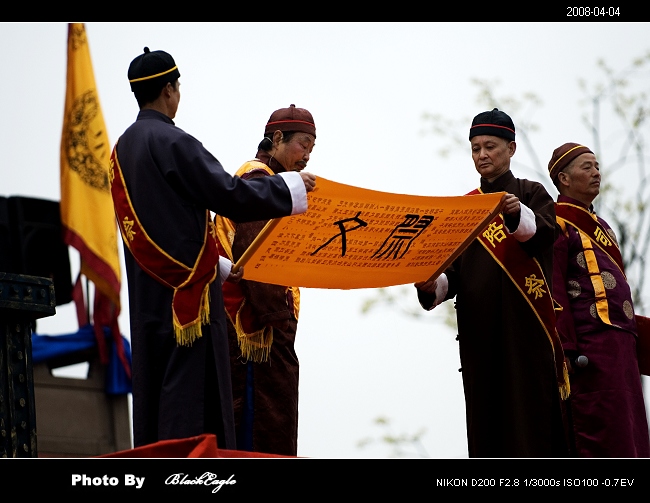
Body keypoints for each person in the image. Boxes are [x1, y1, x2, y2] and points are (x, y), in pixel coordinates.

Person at [109, 47, 316, 449]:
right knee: (191, 403)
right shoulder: (172, 141)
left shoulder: (121, 150)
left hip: (149, 294)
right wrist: (287, 187)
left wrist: (219, 267)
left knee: (157, 393)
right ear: (169, 90)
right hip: (188, 299)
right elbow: (228, 194)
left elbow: (163, 225)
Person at [413, 109, 569, 458]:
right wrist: (430, 286)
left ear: (511, 149)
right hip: (478, 333)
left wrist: (515, 215)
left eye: (490, 147)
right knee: (486, 424)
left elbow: (544, 236)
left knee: (532, 420)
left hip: (525, 329)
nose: (482, 155)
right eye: (475, 148)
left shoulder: (531, 193)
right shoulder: (466, 207)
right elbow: (451, 274)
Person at [214, 104, 316, 456]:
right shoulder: (257, 180)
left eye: (312, 149)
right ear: (276, 139)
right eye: (303, 144)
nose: (307, 155)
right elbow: (257, 256)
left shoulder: (270, 183)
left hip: (260, 322)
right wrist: (280, 318)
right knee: (262, 430)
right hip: (255, 328)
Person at [548, 142, 650, 457]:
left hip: (620, 346)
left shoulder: (604, 228)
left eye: (596, 166)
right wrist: (565, 348)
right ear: (564, 179)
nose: (596, 173)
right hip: (588, 348)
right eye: (587, 167)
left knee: (630, 433)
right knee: (600, 432)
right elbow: (555, 289)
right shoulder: (555, 221)